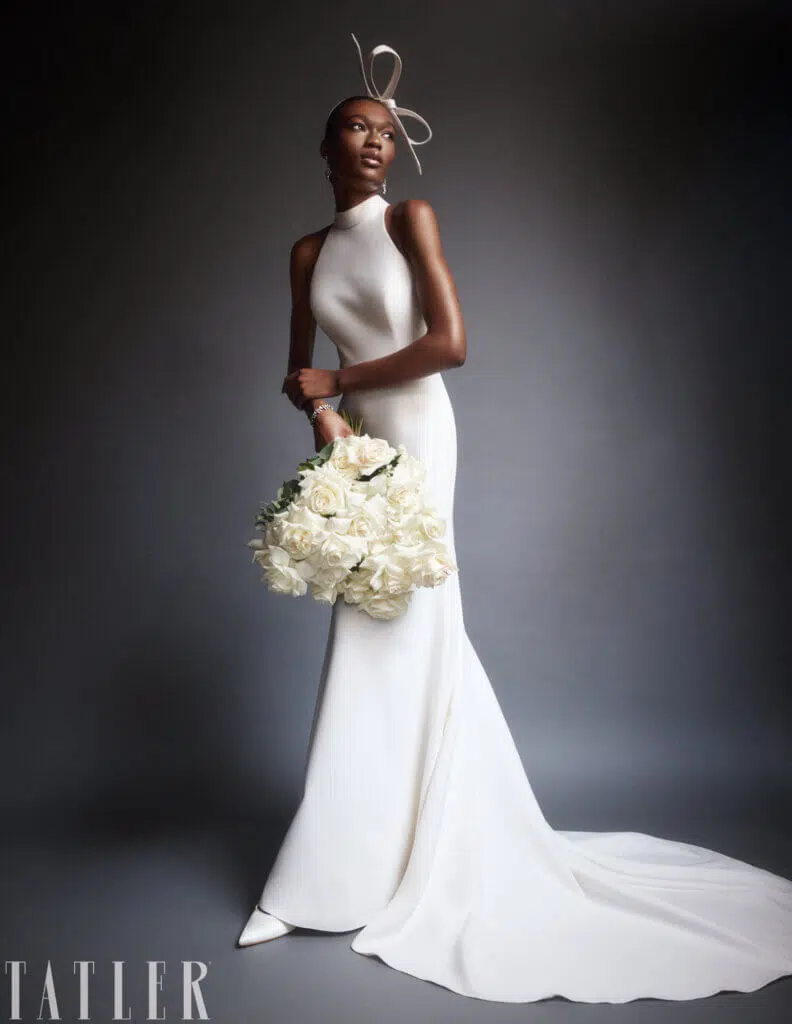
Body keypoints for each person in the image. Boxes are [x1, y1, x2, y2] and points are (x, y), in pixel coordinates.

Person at [236, 34, 792, 1005]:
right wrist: (325, 415)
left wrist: (344, 380)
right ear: (323, 151)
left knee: (403, 621)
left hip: (421, 432)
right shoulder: (306, 251)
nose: (371, 142)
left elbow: (451, 344)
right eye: (352, 131)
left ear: (395, 153)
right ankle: (335, 872)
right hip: (356, 444)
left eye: (381, 132)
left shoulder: (413, 218)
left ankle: (345, 872)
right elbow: (299, 371)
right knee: (372, 630)